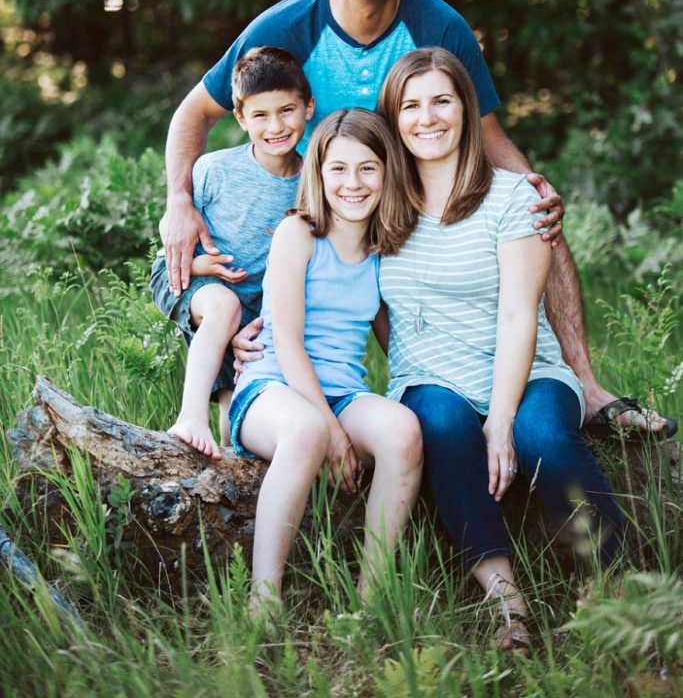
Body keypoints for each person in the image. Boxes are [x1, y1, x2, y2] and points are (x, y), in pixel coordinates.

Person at [162, 0, 672, 437]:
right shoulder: (289, 25)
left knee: (536, 209)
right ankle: (234, 406)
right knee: (241, 287)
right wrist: (179, 201)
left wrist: (530, 182)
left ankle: (588, 388)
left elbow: (486, 129)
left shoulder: (438, 24)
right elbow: (194, 113)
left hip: (397, 189)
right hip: (312, 192)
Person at [376, 48, 630, 652]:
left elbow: (521, 316)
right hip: (430, 374)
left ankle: (612, 586)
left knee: (543, 432)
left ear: (467, 108)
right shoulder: (378, 201)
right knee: (438, 421)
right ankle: (505, 605)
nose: (427, 118)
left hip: (528, 368)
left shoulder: (515, 197)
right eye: (410, 105)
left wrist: (501, 421)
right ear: (393, 117)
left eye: (442, 100)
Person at [227, 108, 423, 614]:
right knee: (309, 432)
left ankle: (369, 599)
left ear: (387, 173)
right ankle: (263, 601)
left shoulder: (384, 249)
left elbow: (395, 341)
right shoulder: (299, 235)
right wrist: (333, 431)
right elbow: (287, 342)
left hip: (342, 392)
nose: (352, 183)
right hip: (273, 388)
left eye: (367, 168)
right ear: (318, 173)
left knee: (403, 430)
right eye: (338, 169)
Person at [150, 47, 315, 457]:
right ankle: (189, 417)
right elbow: (173, 231)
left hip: (256, 310)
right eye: (260, 115)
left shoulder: (314, 182)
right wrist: (196, 263)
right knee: (224, 307)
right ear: (240, 119)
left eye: (287, 110)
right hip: (189, 277)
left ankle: (228, 473)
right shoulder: (214, 170)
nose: (275, 126)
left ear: (308, 108)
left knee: (237, 413)